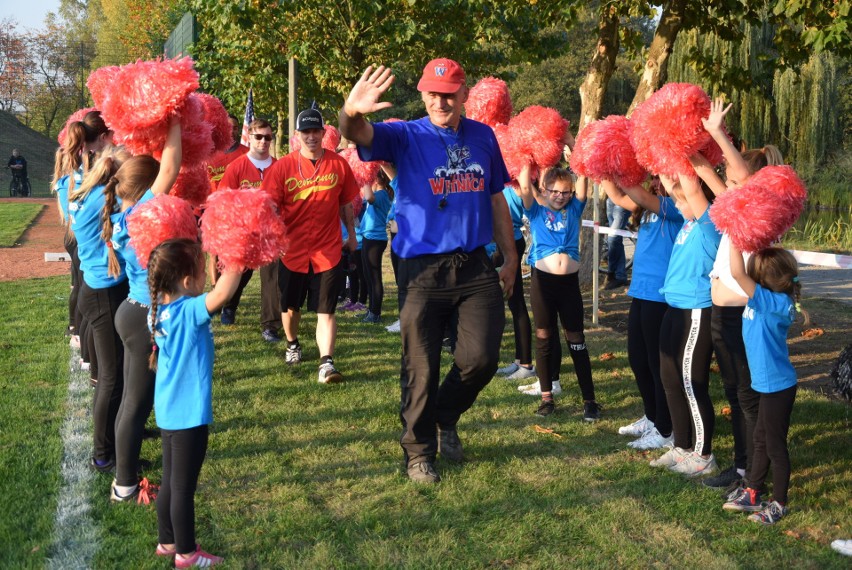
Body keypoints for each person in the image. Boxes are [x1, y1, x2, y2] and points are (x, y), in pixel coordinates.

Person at [339, 60, 517, 483]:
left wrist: (509, 258)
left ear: (464, 93)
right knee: (420, 365)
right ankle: (419, 453)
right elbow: (355, 132)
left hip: (474, 265)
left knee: (482, 358)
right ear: (423, 95)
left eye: (450, 92)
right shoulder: (405, 135)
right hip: (422, 270)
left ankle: (445, 414)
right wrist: (351, 111)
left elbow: (496, 201)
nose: (441, 100)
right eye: (433, 93)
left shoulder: (483, 136)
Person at [691, 98, 786, 491]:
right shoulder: (735, 205)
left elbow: (742, 177)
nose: (726, 187)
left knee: (747, 396)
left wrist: (717, 133)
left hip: (740, 317)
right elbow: (703, 172)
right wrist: (677, 139)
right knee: (735, 391)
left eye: (731, 181)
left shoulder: (763, 213)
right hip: (721, 316)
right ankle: (743, 463)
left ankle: (753, 472)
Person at [101, 116, 181, 502]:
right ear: (146, 190)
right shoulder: (139, 215)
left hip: (131, 313)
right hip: (142, 318)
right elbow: (170, 167)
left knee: (134, 402)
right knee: (135, 403)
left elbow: (163, 171)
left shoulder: (122, 216)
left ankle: (124, 478)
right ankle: (125, 485)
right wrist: (175, 118)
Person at [148, 238, 241, 567]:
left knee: (172, 481)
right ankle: (186, 553)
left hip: (169, 412)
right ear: (187, 282)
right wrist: (237, 258)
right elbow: (222, 295)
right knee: (183, 489)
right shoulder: (189, 311)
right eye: (203, 273)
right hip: (188, 416)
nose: (208, 276)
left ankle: (167, 541)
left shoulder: (158, 309)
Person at [260, 108, 359, 383]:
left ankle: (326, 363)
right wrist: (273, 238)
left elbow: (347, 202)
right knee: (291, 307)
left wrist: (351, 235)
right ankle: (293, 343)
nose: (312, 136)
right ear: (297, 135)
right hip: (293, 252)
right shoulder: (282, 168)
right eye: (306, 132)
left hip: (328, 251)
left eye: (316, 131)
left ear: (324, 133)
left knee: (326, 309)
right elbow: (269, 207)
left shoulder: (338, 165)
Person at [722, 245, 802, 525]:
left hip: (777, 388)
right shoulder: (767, 299)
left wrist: (734, 237)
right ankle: (753, 492)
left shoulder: (772, 303)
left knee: (775, 446)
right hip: (767, 386)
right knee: (760, 438)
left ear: (763, 279)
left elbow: (736, 272)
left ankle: (779, 503)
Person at [649, 173, 722, 477]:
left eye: (682, 200)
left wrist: (682, 150)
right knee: (669, 378)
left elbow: (690, 189)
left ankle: (703, 455)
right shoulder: (688, 222)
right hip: (673, 307)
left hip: (696, 311)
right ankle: (681, 446)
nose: (677, 204)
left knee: (692, 382)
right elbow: (674, 185)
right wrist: (663, 158)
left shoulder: (709, 225)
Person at [603, 177, 682, 449]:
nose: (658, 184)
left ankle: (665, 428)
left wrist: (624, 172)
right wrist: (601, 167)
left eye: (665, 180)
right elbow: (616, 195)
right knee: (638, 360)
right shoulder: (645, 209)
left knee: (657, 364)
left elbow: (640, 194)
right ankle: (651, 416)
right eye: (657, 180)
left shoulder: (677, 206)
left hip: (661, 296)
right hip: (641, 292)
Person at [517, 165, 600, 420]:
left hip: (569, 285)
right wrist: (526, 157)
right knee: (544, 336)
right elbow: (523, 185)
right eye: (554, 191)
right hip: (543, 283)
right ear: (544, 190)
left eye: (565, 192)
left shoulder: (574, 209)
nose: (560, 196)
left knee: (576, 339)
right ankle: (546, 397)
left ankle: (590, 400)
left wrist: (578, 151)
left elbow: (584, 175)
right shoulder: (536, 211)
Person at [69, 145, 131, 473]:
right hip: (103, 296)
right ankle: (103, 454)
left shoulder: (92, 194)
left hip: (98, 291)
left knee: (114, 375)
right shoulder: (109, 202)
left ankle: (118, 435)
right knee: (111, 377)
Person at [217, 118, 282, 342]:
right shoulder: (237, 167)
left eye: (268, 137)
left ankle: (270, 325)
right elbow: (224, 200)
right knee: (239, 274)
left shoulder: (279, 166)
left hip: (271, 233)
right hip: (244, 232)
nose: (263, 141)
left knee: (272, 278)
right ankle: (229, 304)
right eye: (258, 137)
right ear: (250, 137)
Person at [494, 183, 535, 381]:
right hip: (498, 242)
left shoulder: (518, 182)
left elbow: (524, 191)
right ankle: (520, 360)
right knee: (512, 302)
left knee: (516, 301)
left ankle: (526, 364)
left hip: (510, 242)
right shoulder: (502, 180)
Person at [359, 168, 393, 323]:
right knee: (368, 275)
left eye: (373, 178)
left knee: (374, 276)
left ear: (378, 179)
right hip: (368, 236)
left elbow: (369, 197)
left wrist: (365, 177)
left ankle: (375, 313)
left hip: (375, 239)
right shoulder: (380, 194)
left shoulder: (382, 195)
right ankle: (371, 310)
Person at [604, 198, 630, 289]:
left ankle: (611, 271)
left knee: (612, 238)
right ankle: (620, 275)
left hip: (624, 200)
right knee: (617, 240)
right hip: (611, 199)